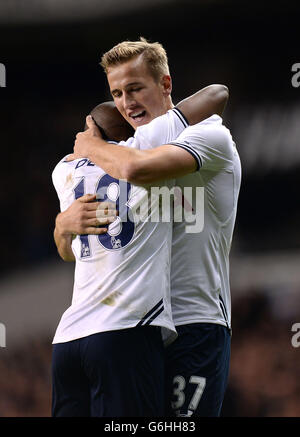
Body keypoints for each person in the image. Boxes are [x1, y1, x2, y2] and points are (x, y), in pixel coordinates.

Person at [70, 37, 241, 417]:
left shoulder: (208, 136)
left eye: (135, 88)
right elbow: (74, 242)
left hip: (194, 318)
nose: (126, 102)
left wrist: (87, 145)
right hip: (137, 327)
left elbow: (138, 168)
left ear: (165, 85)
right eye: (117, 92)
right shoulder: (125, 150)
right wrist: (64, 224)